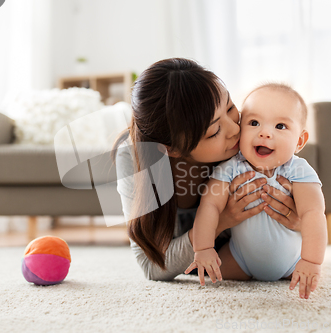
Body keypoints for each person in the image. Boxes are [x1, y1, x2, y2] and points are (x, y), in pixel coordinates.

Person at [112, 58, 302, 282]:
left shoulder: (250, 144)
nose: (235, 130)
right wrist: (220, 220)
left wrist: (299, 222)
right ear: (171, 149)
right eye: (214, 132)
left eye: (230, 107)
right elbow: (151, 266)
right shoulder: (132, 158)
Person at [185, 83, 327, 299]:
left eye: (280, 126)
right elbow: (209, 206)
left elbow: (314, 214)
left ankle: (303, 268)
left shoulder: (298, 170)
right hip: (240, 259)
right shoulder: (230, 168)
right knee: (209, 275)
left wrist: (311, 261)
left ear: (299, 141)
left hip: (292, 262)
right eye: (254, 122)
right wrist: (203, 249)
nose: (265, 133)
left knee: (307, 274)